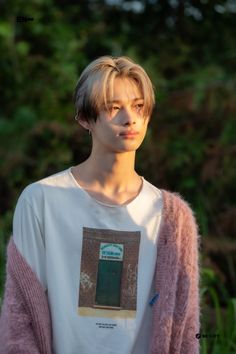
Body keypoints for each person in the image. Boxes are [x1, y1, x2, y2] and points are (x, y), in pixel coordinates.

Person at [0, 56, 201, 354]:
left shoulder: (173, 218)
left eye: (138, 107)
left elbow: (184, 330)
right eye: (113, 107)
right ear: (84, 118)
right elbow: (19, 319)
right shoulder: (41, 200)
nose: (129, 118)